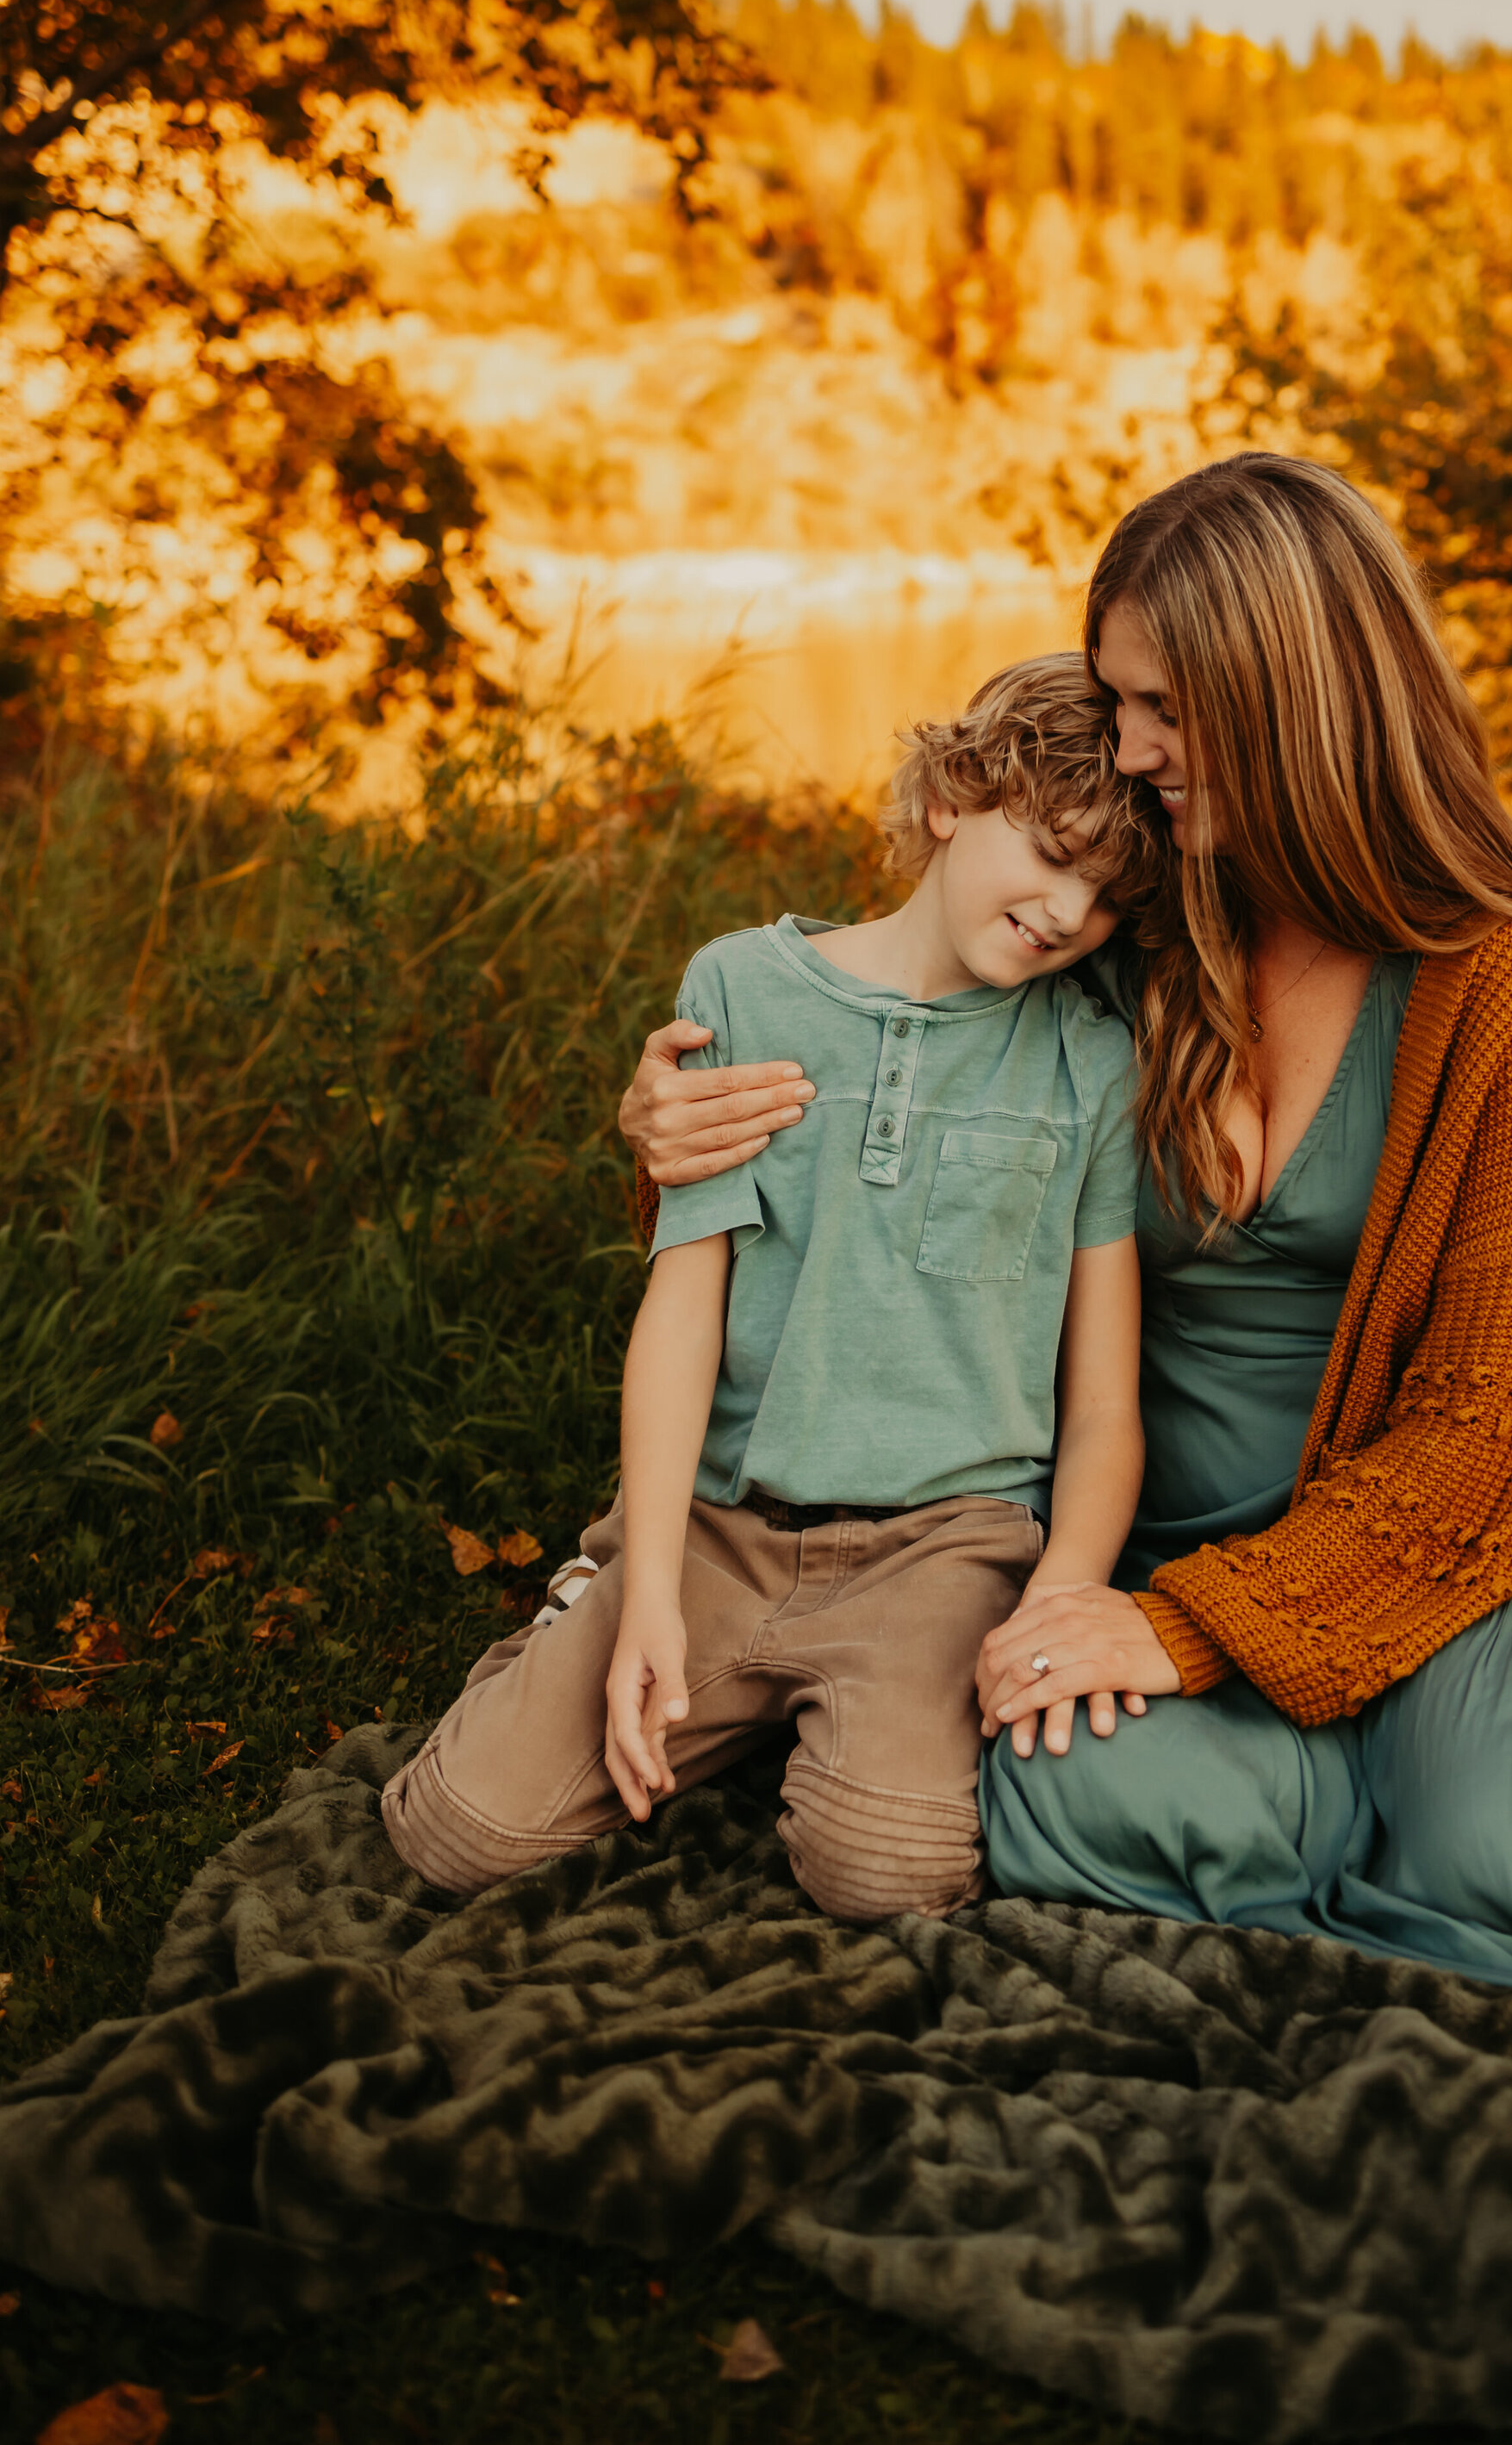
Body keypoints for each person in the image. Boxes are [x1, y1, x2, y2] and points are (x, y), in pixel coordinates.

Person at [622, 457, 1512, 2081]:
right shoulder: (1135, 921)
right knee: (1054, 1800)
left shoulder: (1509, 985)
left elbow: (1499, 1420)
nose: (1129, 754)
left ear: (1288, 692)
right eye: (1117, 705)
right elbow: (891, 1016)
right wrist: (682, 1110)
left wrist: (1193, 1641)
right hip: (1163, 1547)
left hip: (1472, 1541)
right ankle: (1408, 1794)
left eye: (1159, 709)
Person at [383, 653, 1159, 1919]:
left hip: (943, 1550)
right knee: (458, 1829)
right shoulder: (741, 989)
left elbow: (1107, 1403)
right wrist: (645, 1586)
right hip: (719, 1522)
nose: (1071, 911)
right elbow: (684, 1311)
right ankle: (601, 1613)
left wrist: (1062, 1589)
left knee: (891, 1870)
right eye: (1054, 851)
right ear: (956, 797)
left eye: (1109, 896)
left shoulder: (1092, 1059)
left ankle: (797, 1718)